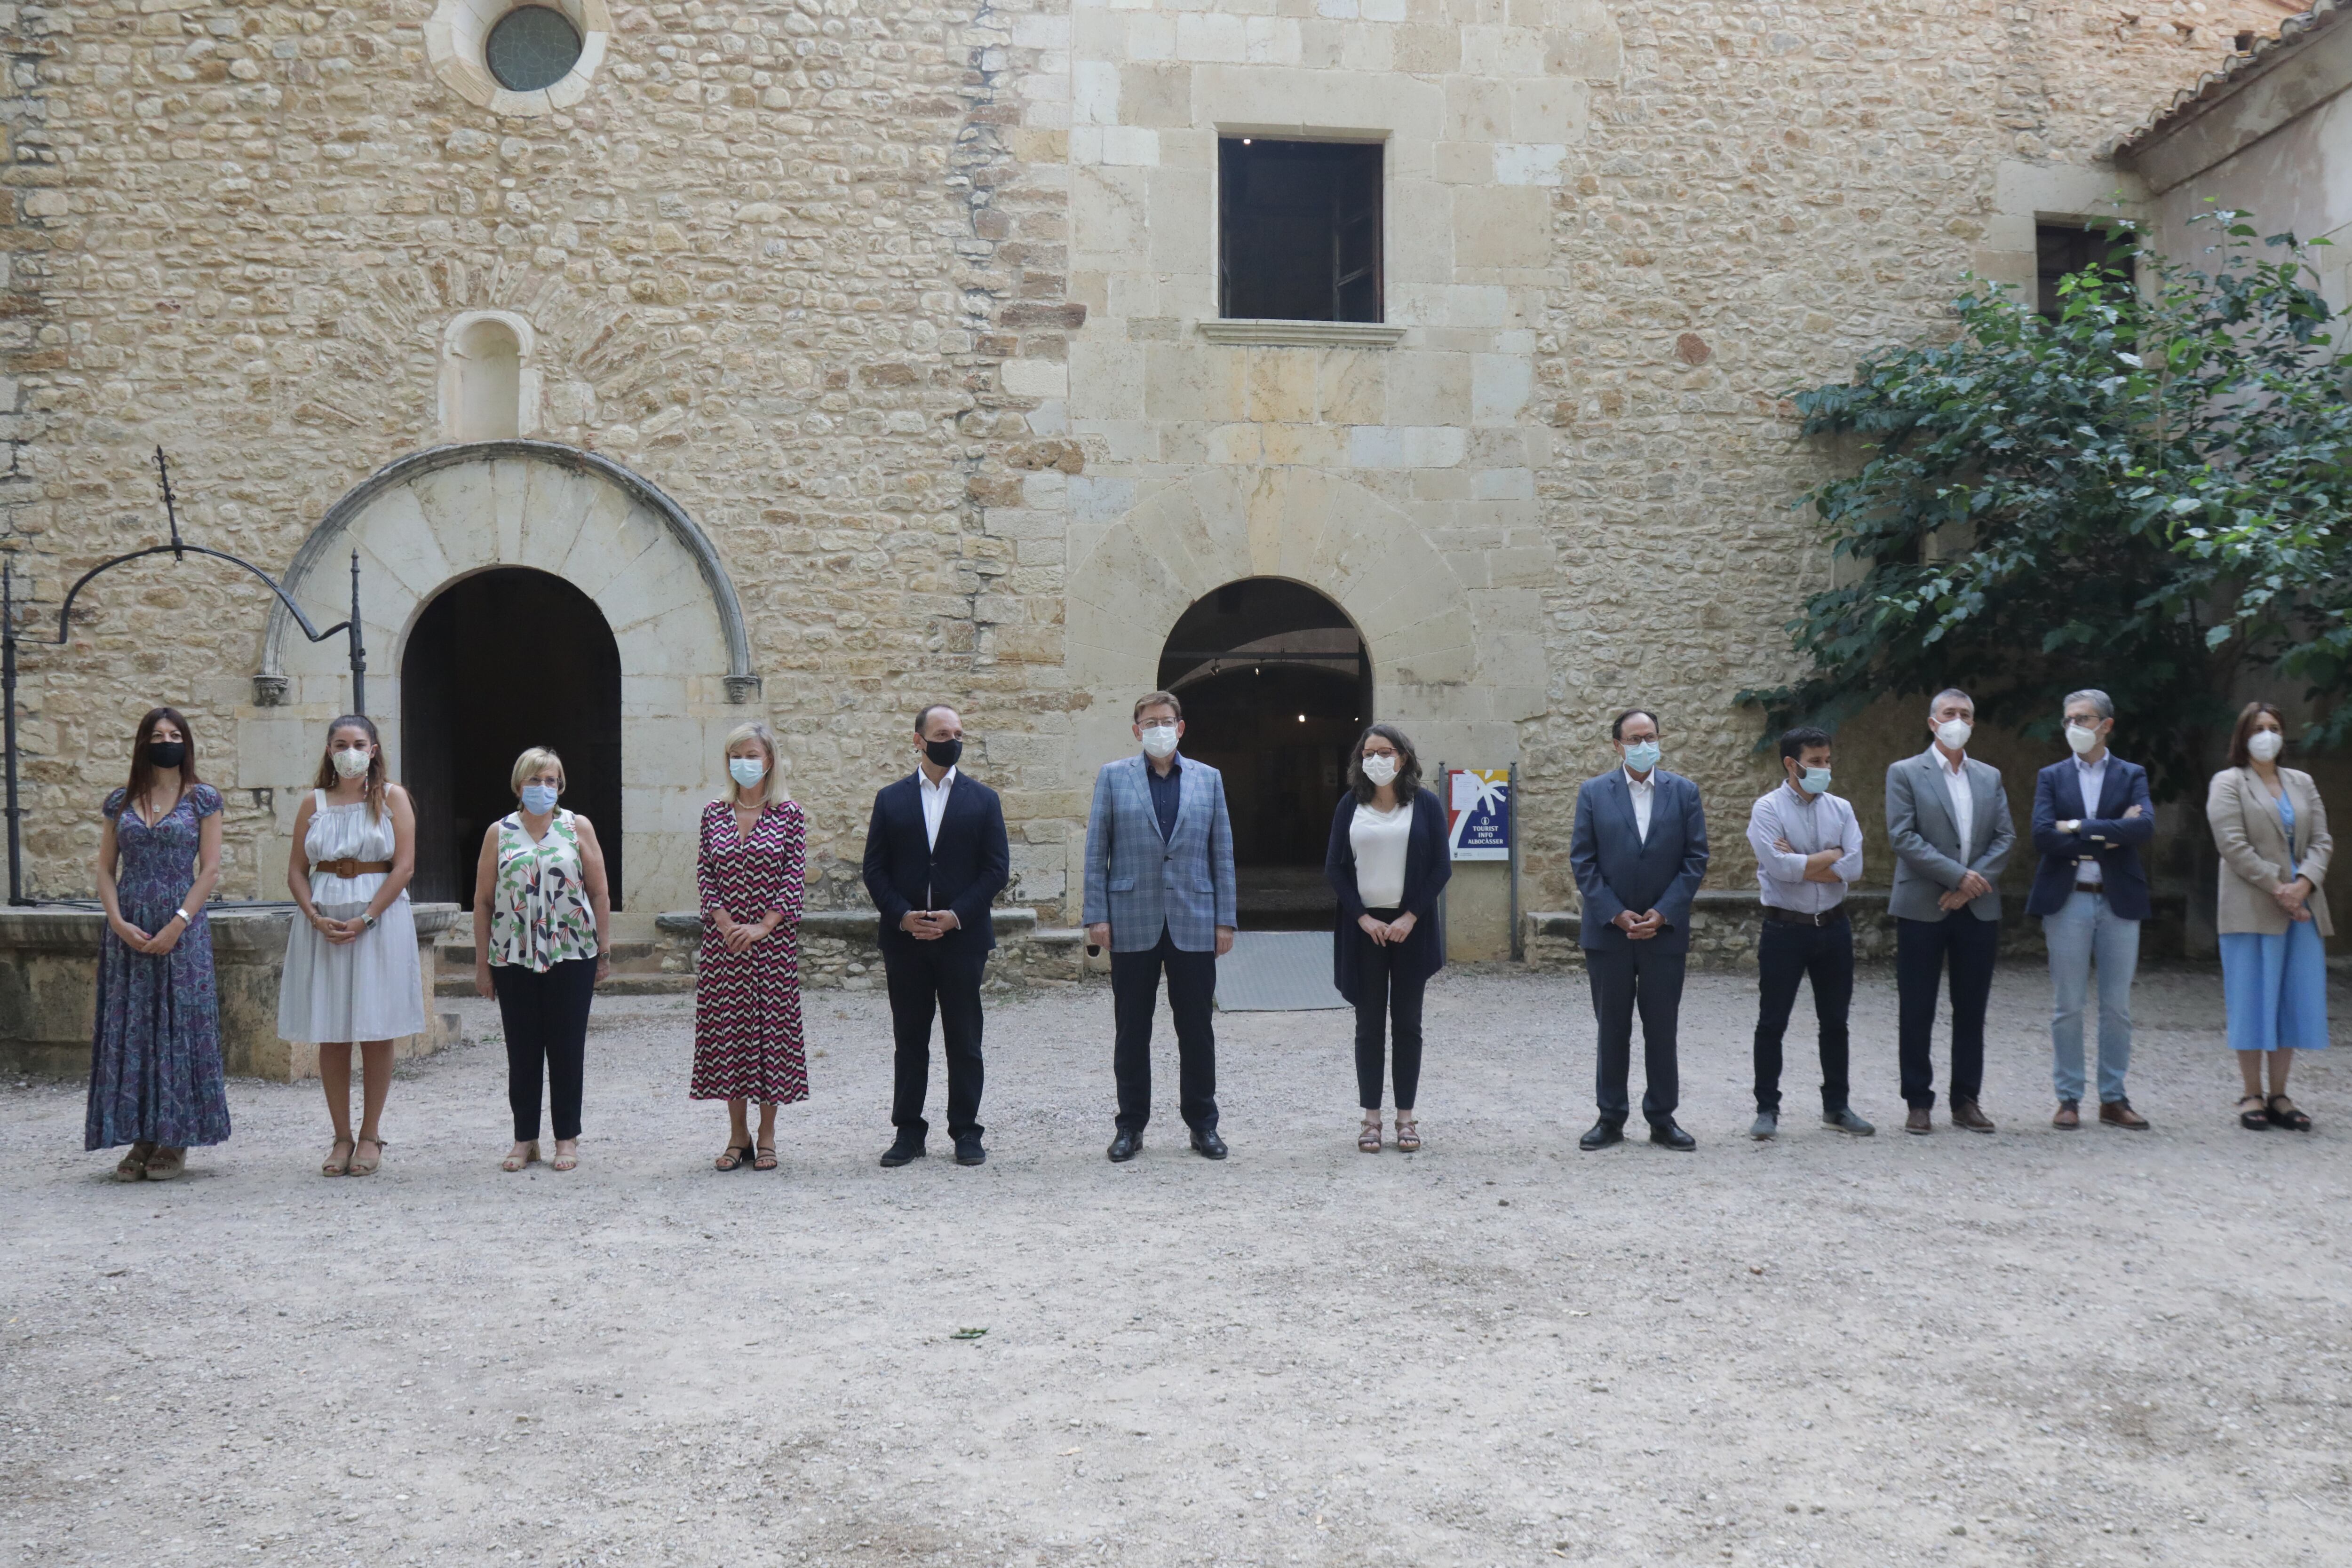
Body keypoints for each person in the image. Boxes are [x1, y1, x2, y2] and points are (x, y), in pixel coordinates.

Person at [1082, 690, 1237, 1163]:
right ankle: (1130, 1126)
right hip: (1131, 918)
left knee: (1196, 1029)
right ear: (1135, 730)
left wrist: (1225, 919)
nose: (1158, 728)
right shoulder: (1113, 778)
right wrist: (1096, 914)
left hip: (1194, 917)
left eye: (1166, 720)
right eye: (1149, 722)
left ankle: (1202, 1125)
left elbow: (1222, 853)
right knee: (1132, 1029)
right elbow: (1095, 850)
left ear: (1181, 726)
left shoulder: (1208, 780)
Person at [862, 703, 1009, 1168]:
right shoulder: (890, 799)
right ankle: (908, 1131)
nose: (954, 739)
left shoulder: (983, 799)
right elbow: (874, 868)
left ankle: (966, 1130)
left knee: (964, 1038)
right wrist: (902, 915)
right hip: (905, 940)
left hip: (961, 940)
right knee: (910, 1038)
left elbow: (995, 869)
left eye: (959, 732)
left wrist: (956, 915)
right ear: (919, 740)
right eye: (944, 732)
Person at [279, 714, 427, 1177]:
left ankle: (370, 1133)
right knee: (333, 1030)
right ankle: (341, 1135)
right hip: (325, 919)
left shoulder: (392, 798)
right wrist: (314, 916)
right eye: (340, 743)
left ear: (374, 749)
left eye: (359, 743)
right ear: (328, 750)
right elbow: (297, 870)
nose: (350, 750)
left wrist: (365, 918)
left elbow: (403, 866)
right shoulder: (314, 803)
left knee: (376, 1026)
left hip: (378, 918)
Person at [85, 707, 228, 1182]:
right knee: (134, 1025)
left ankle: (175, 1136)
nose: (165, 740)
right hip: (129, 924)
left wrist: (179, 922)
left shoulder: (203, 799)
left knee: (179, 1022)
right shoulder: (120, 801)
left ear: (186, 743)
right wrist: (117, 921)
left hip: (181, 925)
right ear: (143, 742)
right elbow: (106, 868)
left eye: (174, 734)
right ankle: (140, 1133)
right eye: (156, 734)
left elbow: (209, 869)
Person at [1568, 707, 1708, 1151]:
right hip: (1609, 933)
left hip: (1664, 933)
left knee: (1662, 1028)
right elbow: (1583, 861)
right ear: (1616, 745)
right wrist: (1614, 912)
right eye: (1634, 738)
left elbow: (1695, 859)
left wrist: (1664, 913)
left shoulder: (1685, 792)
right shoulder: (1593, 793)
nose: (1644, 745)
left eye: (1650, 736)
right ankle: (1610, 1117)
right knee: (1612, 1028)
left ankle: (1662, 1117)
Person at [472, 747, 611, 1173]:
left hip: (571, 951)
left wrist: (604, 952)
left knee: (567, 1048)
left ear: (561, 786)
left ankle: (566, 1138)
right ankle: (525, 1140)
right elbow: (482, 900)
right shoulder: (500, 832)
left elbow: (599, 892)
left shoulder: (577, 828)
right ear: (519, 785)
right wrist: (482, 964)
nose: (543, 788)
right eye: (534, 781)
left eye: (551, 781)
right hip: (513, 955)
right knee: (523, 1049)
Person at [1885, 688, 2016, 1135]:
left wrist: (1971, 883)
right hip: (1924, 904)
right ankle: (1918, 1102)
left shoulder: (1989, 777)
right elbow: (1903, 836)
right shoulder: (1905, 772)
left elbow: (2005, 838)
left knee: (1971, 1008)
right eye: (1948, 713)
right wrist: (1957, 878)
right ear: (1932, 721)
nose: (1956, 720)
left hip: (1978, 907)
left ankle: (1967, 1100)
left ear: (1973, 723)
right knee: (1917, 1006)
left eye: (1964, 714)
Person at [2026, 689, 2155, 1131]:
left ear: (2107, 725)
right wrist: (2110, 834)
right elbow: (2043, 835)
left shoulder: (2132, 773)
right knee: (2068, 1004)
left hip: (2119, 900)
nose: (2075, 727)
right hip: (2069, 899)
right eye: (2068, 720)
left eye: (2084, 719)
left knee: (2117, 1006)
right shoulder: (2052, 776)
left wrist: (2079, 827)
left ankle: (2114, 1098)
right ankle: (2068, 1098)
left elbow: (2144, 827)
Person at [1323, 723, 1449, 1153]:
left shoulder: (1426, 805)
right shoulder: (1349, 806)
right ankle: (1371, 1119)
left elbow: (1440, 868)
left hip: (1410, 927)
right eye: (1368, 753)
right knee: (1369, 1024)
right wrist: (1362, 918)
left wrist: (1411, 916)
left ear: (1404, 758)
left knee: (1408, 1025)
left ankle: (1406, 1119)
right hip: (1366, 931)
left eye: (1385, 751)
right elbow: (1336, 868)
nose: (1377, 760)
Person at [2208, 702, 2332, 1132]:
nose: (2267, 735)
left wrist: (2305, 884)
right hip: (2252, 904)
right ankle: (2251, 1093)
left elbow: (2322, 840)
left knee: (2292, 999)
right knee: (2252, 998)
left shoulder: (2302, 782)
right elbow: (2232, 844)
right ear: (2243, 737)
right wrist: (2279, 887)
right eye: (2258, 728)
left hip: (2304, 908)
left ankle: (2280, 1093)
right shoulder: (2228, 782)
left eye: (2274, 727)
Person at [1745, 725, 1872, 1140]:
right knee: (1772, 1022)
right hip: (1785, 929)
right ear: (1791, 764)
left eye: (1827, 761)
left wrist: (1806, 859)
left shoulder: (1841, 809)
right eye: (1815, 762)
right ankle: (1767, 1109)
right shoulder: (1767, 810)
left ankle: (1837, 1107)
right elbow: (1780, 870)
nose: (1824, 769)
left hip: (1834, 928)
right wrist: (1832, 856)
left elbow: (1853, 868)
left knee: (1835, 1022)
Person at [691, 722, 808, 1172]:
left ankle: (768, 1135)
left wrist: (763, 927)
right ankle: (737, 1135)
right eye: (736, 754)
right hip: (724, 947)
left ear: (770, 760)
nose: (744, 761)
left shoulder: (790, 814)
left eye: (752, 754)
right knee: (731, 1035)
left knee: (771, 1037)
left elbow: (793, 879)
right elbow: (705, 873)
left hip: (771, 946)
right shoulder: (713, 813)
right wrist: (723, 922)